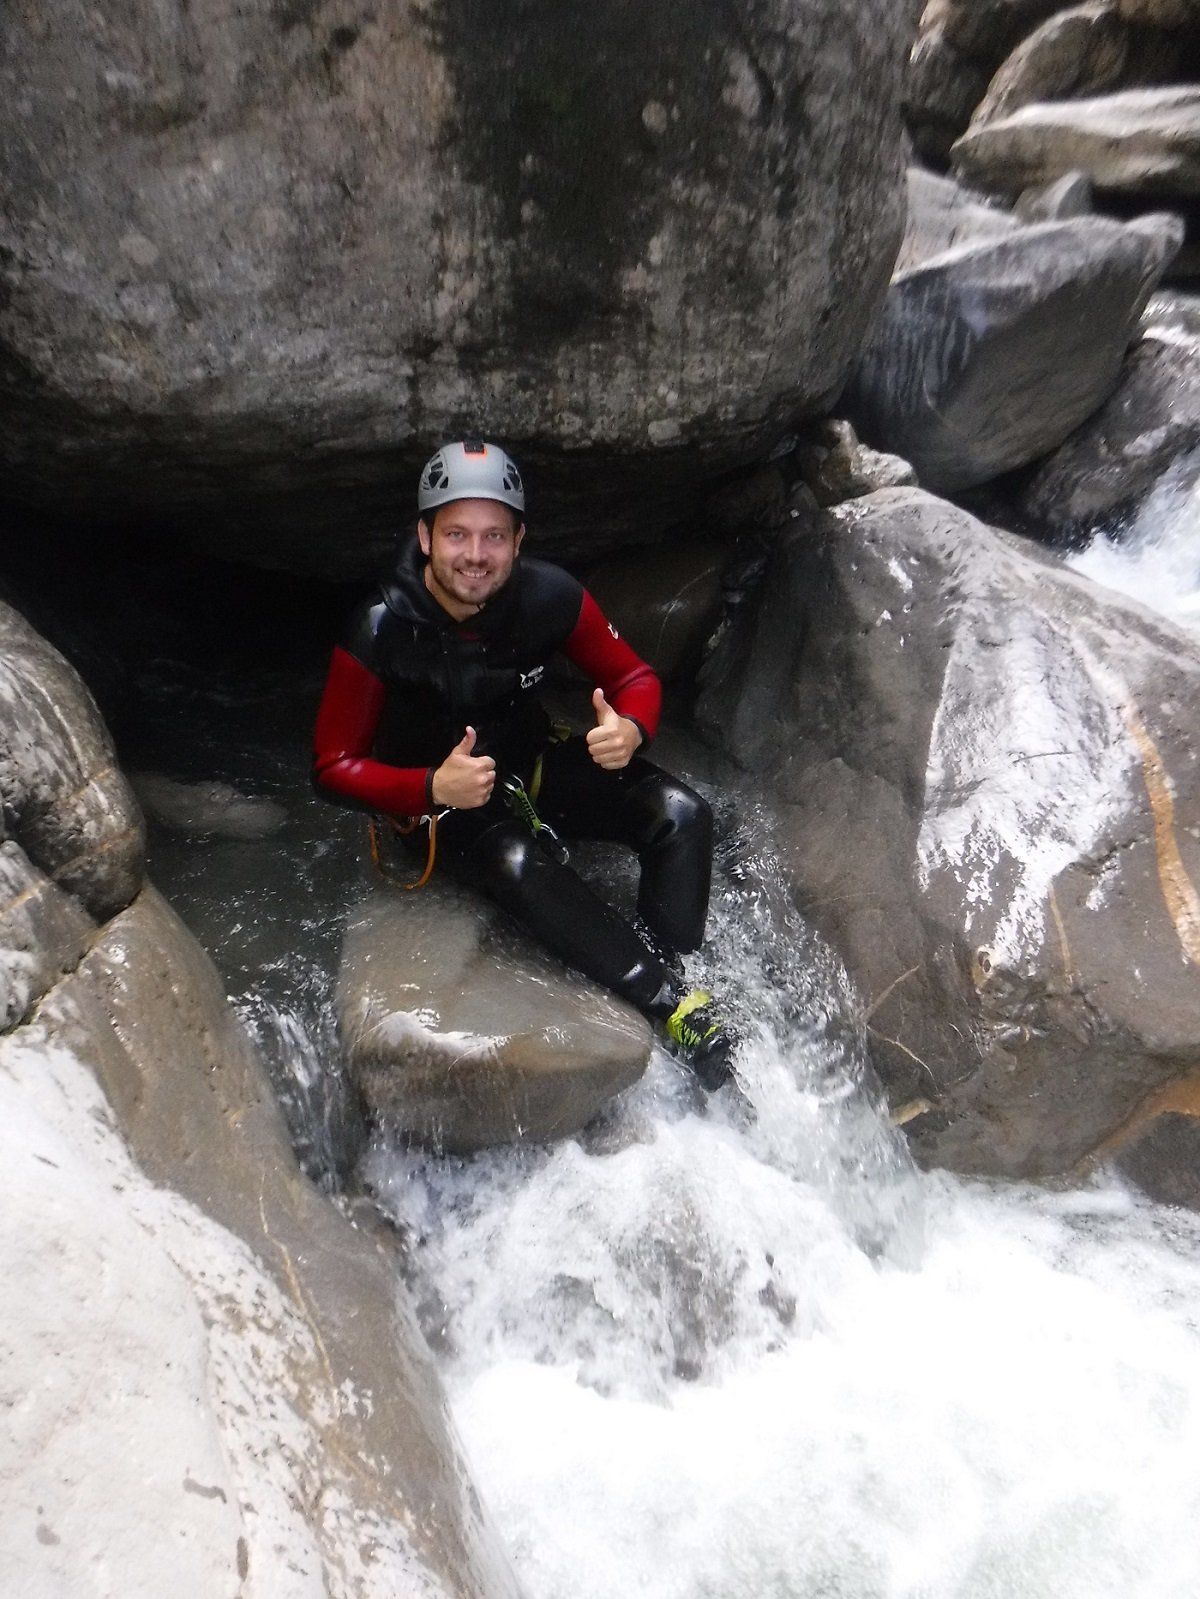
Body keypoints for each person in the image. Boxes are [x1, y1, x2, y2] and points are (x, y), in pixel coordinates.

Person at [312, 440, 733, 1087]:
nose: (475, 556)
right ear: (424, 536)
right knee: (514, 862)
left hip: (526, 766)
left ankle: (678, 970)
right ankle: (667, 1003)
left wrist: (632, 726)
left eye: (494, 537)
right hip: (438, 811)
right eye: (457, 534)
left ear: (518, 540)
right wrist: (429, 785)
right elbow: (331, 767)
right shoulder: (379, 629)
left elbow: (634, 676)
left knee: (681, 815)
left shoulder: (549, 596)